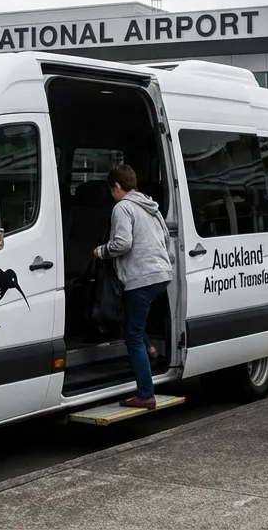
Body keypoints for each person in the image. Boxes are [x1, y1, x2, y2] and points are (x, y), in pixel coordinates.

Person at [93, 164, 174, 411]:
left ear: (117, 186)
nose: (112, 195)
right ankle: (150, 348)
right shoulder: (151, 206)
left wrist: (102, 251)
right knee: (133, 318)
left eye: (112, 190)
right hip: (161, 275)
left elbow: (123, 243)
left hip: (141, 278)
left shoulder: (123, 207)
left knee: (132, 337)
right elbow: (166, 239)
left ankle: (145, 394)